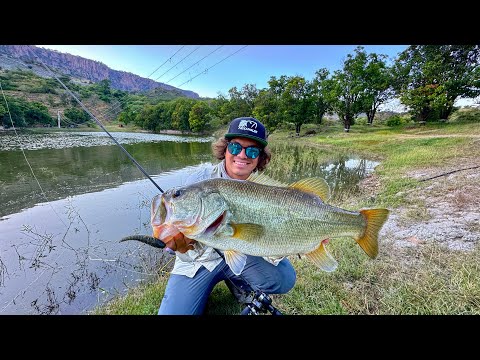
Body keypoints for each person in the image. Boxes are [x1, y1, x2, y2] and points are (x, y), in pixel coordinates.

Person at [158, 117, 296, 315]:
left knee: (284, 278)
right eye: (235, 147)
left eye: (252, 150)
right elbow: (173, 227)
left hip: (243, 252)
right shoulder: (199, 181)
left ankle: (239, 281)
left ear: (259, 157)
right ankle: (204, 289)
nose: (242, 155)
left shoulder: (268, 190)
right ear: (224, 149)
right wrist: (174, 239)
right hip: (201, 261)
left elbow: (271, 232)